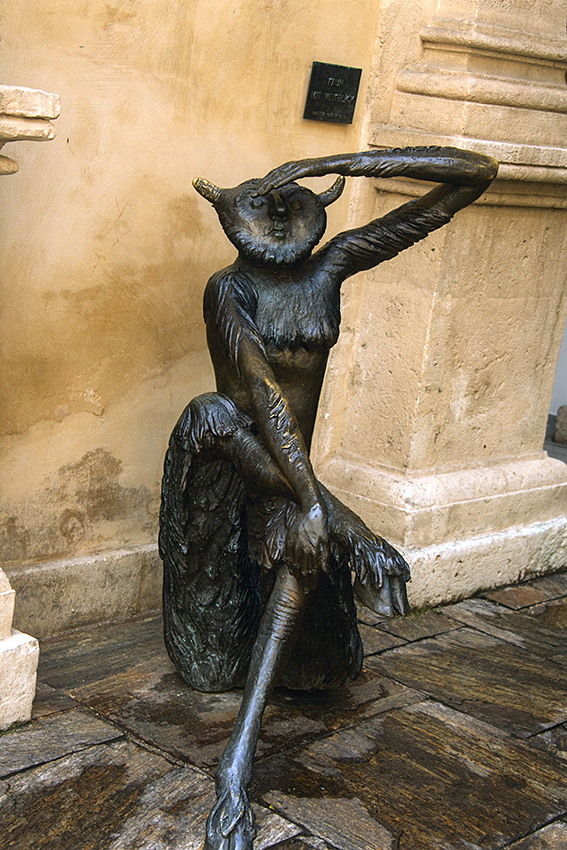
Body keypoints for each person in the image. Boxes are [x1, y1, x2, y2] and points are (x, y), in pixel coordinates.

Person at [159, 145, 498, 849]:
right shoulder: (229, 289)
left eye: (290, 203)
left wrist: (335, 161)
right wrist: (325, 511)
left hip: (292, 474)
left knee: (303, 558)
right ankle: (234, 772)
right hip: (235, 446)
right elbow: (262, 394)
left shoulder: (333, 265)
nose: (281, 217)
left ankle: (234, 766)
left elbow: (473, 176)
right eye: (261, 204)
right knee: (225, 423)